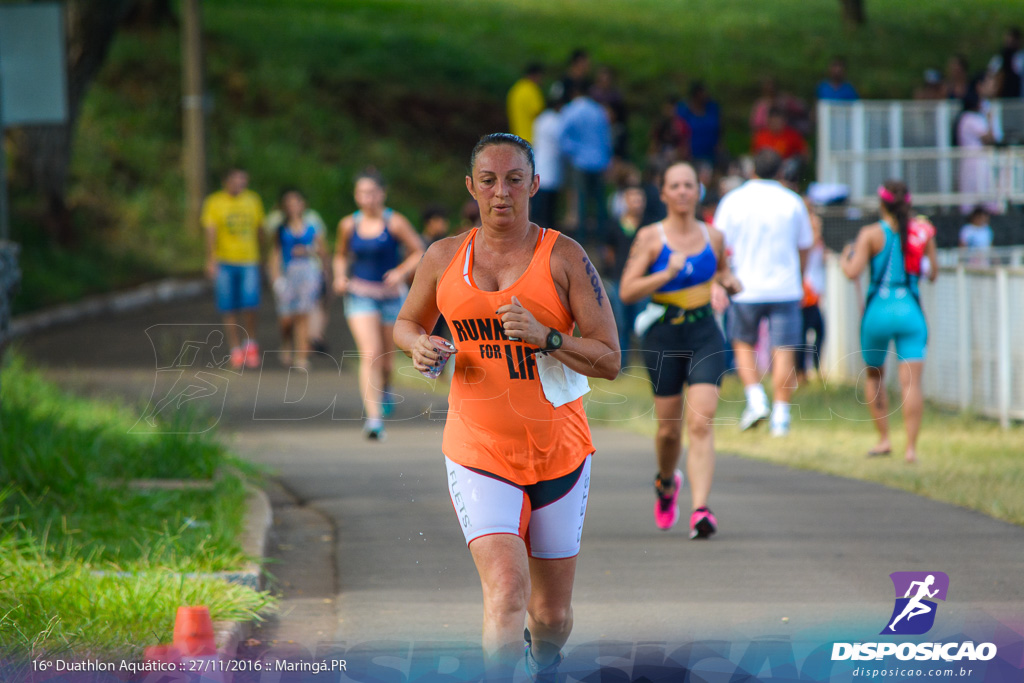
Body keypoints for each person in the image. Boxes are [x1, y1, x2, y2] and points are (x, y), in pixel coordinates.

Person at [393, 133, 619, 679]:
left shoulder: (564, 256)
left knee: (551, 615)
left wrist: (548, 338)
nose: (502, 193)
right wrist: (418, 345)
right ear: (471, 187)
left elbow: (611, 358)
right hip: (477, 452)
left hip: (558, 455)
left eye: (515, 179)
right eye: (489, 181)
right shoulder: (443, 257)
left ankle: (544, 660)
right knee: (506, 594)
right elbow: (406, 323)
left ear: (534, 185)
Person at [619, 162, 742, 539]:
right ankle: (667, 481)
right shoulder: (651, 238)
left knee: (700, 422)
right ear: (664, 193)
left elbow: (720, 270)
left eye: (690, 184)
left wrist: (728, 281)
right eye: (676, 185)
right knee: (669, 432)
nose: (684, 191)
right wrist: (665, 274)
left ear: (698, 191)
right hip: (664, 336)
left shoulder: (714, 236)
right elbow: (626, 290)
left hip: (705, 331)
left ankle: (701, 509)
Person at [713, 150, 813, 437]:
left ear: (752, 169)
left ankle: (756, 399)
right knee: (784, 349)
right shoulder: (792, 201)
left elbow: (718, 244)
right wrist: (799, 276)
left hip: (744, 287)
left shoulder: (733, 200)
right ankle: (781, 416)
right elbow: (805, 245)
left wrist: (721, 280)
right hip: (785, 287)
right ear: (780, 171)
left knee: (742, 342)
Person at [841, 181, 937, 465]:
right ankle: (910, 449)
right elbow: (933, 273)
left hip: (877, 312)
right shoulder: (922, 232)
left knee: (875, 376)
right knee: (912, 384)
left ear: (881, 203)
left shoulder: (870, 234)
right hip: (911, 310)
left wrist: (846, 258)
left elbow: (852, 272)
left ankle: (884, 439)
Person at [333, 172, 424, 440]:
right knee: (370, 353)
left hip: (391, 295)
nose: (367, 198)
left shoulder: (394, 222)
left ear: (382, 194)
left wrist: (400, 271)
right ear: (356, 195)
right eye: (362, 193)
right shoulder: (349, 224)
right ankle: (373, 420)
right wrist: (339, 276)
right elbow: (340, 255)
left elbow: (419, 250)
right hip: (360, 294)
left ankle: (385, 388)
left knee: (385, 360)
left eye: (372, 192)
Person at [202, 168, 266, 369]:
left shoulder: (253, 200)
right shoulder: (215, 202)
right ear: (226, 182)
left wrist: (264, 255)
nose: (241, 184)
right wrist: (211, 258)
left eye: (243, 180)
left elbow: (259, 229)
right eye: (237, 180)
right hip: (225, 260)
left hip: (249, 259)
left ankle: (251, 343)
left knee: (250, 304)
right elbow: (210, 231)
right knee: (228, 306)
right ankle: (235, 347)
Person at [265, 190, 330, 358]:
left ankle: (301, 355)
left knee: (303, 314)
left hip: (308, 274)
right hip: (287, 274)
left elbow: (322, 250)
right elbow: (275, 254)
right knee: (286, 317)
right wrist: (275, 279)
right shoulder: (280, 229)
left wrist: (310, 253)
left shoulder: (312, 227)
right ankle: (286, 342)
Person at [559, 84, 613, 244]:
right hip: (600, 161)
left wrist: (573, 152)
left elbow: (561, 137)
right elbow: (607, 138)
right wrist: (607, 158)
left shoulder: (571, 110)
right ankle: (601, 237)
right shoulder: (599, 111)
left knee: (581, 199)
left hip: (580, 161)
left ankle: (581, 237)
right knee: (599, 200)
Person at [603, 181, 646, 365]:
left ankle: (649, 360)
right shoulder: (613, 225)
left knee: (643, 323)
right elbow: (608, 252)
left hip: (644, 282)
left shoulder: (648, 226)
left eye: (639, 198)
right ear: (625, 200)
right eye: (632, 198)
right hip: (620, 280)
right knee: (620, 324)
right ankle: (622, 362)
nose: (636, 202)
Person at [956, 91, 999, 214]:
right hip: (976, 160)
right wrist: (990, 119)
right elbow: (989, 139)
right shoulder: (970, 118)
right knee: (978, 189)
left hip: (973, 159)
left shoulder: (964, 118)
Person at [798, 197, 826, 382]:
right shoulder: (804, 235)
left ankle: (811, 370)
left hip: (813, 292)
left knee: (818, 331)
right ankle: (802, 373)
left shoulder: (815, 237)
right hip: (805, 292)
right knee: (804, 334)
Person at [530, 94, 565, 232]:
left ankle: (538, 225)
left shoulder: (540, 119)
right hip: (550, 164)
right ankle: (546, 227)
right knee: (548, 203)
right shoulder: (555, 121)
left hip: (540, 160)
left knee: (538, 199)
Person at [677, 81, 722, 166]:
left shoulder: (712, 108)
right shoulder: (683, 110)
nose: (706, 94)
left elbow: (719, 129)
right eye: (703, 92)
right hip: (691, 153)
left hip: (711, 152)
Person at [507, 62, 546, 143]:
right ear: (537, 75)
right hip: (531, 139)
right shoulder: (532, 90)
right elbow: (539, 114)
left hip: (516, 139)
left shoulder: (516, 89)